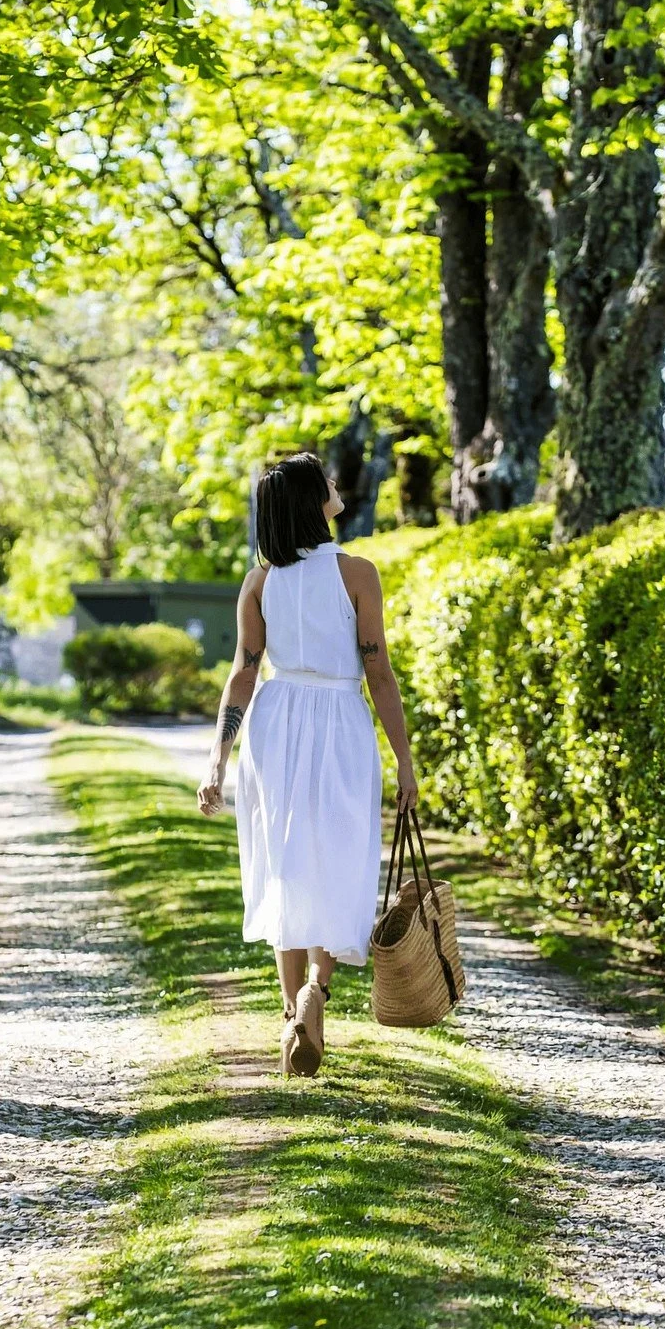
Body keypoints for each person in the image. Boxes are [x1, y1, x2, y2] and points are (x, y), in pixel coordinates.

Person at [197, 452, 418, 1076]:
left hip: (274, 723)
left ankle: (289, 1018)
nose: (335, 485)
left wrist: (217, 759)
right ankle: (314, 993)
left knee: (284, 863)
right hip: (340, 722)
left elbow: (242, 674)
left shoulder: (261, 581)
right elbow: (378, 670)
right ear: (310, 500)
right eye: (326, 480)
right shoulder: (357, 573)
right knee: (341, 859)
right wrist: (403, 758)